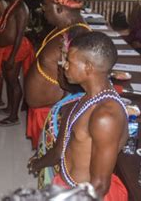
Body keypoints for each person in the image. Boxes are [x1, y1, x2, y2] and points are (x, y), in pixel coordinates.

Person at [28, 32, 129, 200]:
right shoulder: (86, 98)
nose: (64, 65)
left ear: (88, 66)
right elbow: (61, 149)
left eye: (69, 61)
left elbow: (99, 186)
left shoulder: (105, 116)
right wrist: (38, 163)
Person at [24, 0, 92, 150]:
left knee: (53, 168)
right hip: (45, 110)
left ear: (60, 9)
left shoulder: (77, 36)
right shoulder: (63, 29)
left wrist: (61, 117)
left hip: (53, 114)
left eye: (46, 6)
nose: (42, 10)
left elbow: (79, 85)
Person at [0, 0, 34, 126]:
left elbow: (19, 34)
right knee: (8, 79)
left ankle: (13, 116)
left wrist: (12, 56)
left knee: (13, 81)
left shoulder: (21, 8)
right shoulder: (12, 5)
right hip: (7, 49)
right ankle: (10, 107)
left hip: (16, 49)